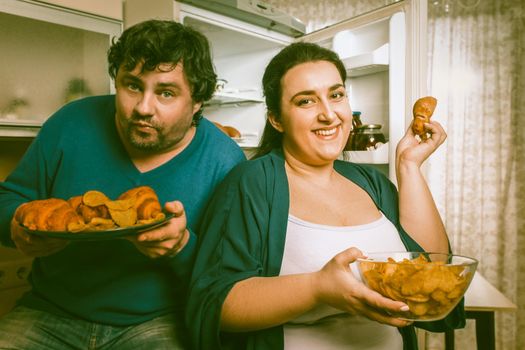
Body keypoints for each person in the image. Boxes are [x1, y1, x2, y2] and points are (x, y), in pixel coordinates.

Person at [186, 42, 465, 350]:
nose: (329, 114)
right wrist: (317, 288)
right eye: (306, 101)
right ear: (276, 119)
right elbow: (215, 304)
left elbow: (434, 275)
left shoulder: (371, 182)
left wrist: (409, 165)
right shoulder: (252, 183)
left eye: (336, 95)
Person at [0, 20, 245, 349]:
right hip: (50, 311)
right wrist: (15, 225)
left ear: (197, 100)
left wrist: (182, 247)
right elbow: (9, 199)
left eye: (166, 93)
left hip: (159, 321)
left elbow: (228, 277)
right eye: (132, 86)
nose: (143, 108)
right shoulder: (69, 123)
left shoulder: (224, 161)